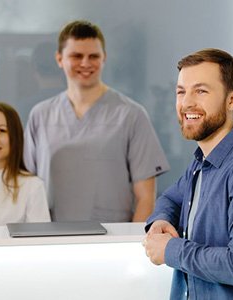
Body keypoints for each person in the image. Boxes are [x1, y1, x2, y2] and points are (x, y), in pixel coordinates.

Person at [143, 48, 233, 299]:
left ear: (232, 100)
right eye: (181, 91)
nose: (187, 102)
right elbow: (170, 198)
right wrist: (161, 221)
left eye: (201, 91)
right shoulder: (201, 162)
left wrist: (171, 250)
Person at [24, 20, 169, 222]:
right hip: (51, 239)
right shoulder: (40, 115)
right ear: (59, 59)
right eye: (76, 56)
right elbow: (26, 188)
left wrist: (132, 247)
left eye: (93, 56)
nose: (85, 63)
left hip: (111, 241)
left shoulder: (131, 115)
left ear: (104, 58)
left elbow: (146, 197)